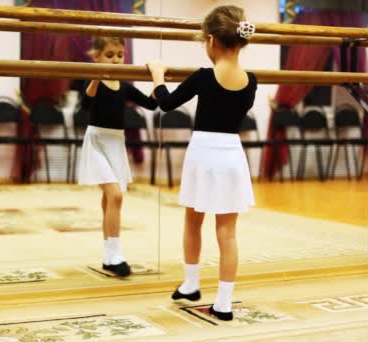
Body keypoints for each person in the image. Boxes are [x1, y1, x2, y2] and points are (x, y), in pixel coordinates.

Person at [147, 5, 257, 321]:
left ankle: (191, 282)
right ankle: (223, 302)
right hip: (232, 153)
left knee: (193, 220)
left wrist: (157, 74)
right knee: (227, 232)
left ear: (210, 41)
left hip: (204, 153)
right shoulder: (251, 81)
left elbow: (166, 104)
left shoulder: (203, 77)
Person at [78, 37, 158, 277]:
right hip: (97, 142)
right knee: (115, 195)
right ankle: (117, 254)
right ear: (98, 57)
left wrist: (158, 78)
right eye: (110, 55)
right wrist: (95, 75)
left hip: (116, 143)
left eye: (120, 55)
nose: (116, 59)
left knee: (109, 200)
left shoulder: (124, 87)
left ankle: (108, 256)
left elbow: (151, 105)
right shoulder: (95, 84)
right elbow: (85, 103)